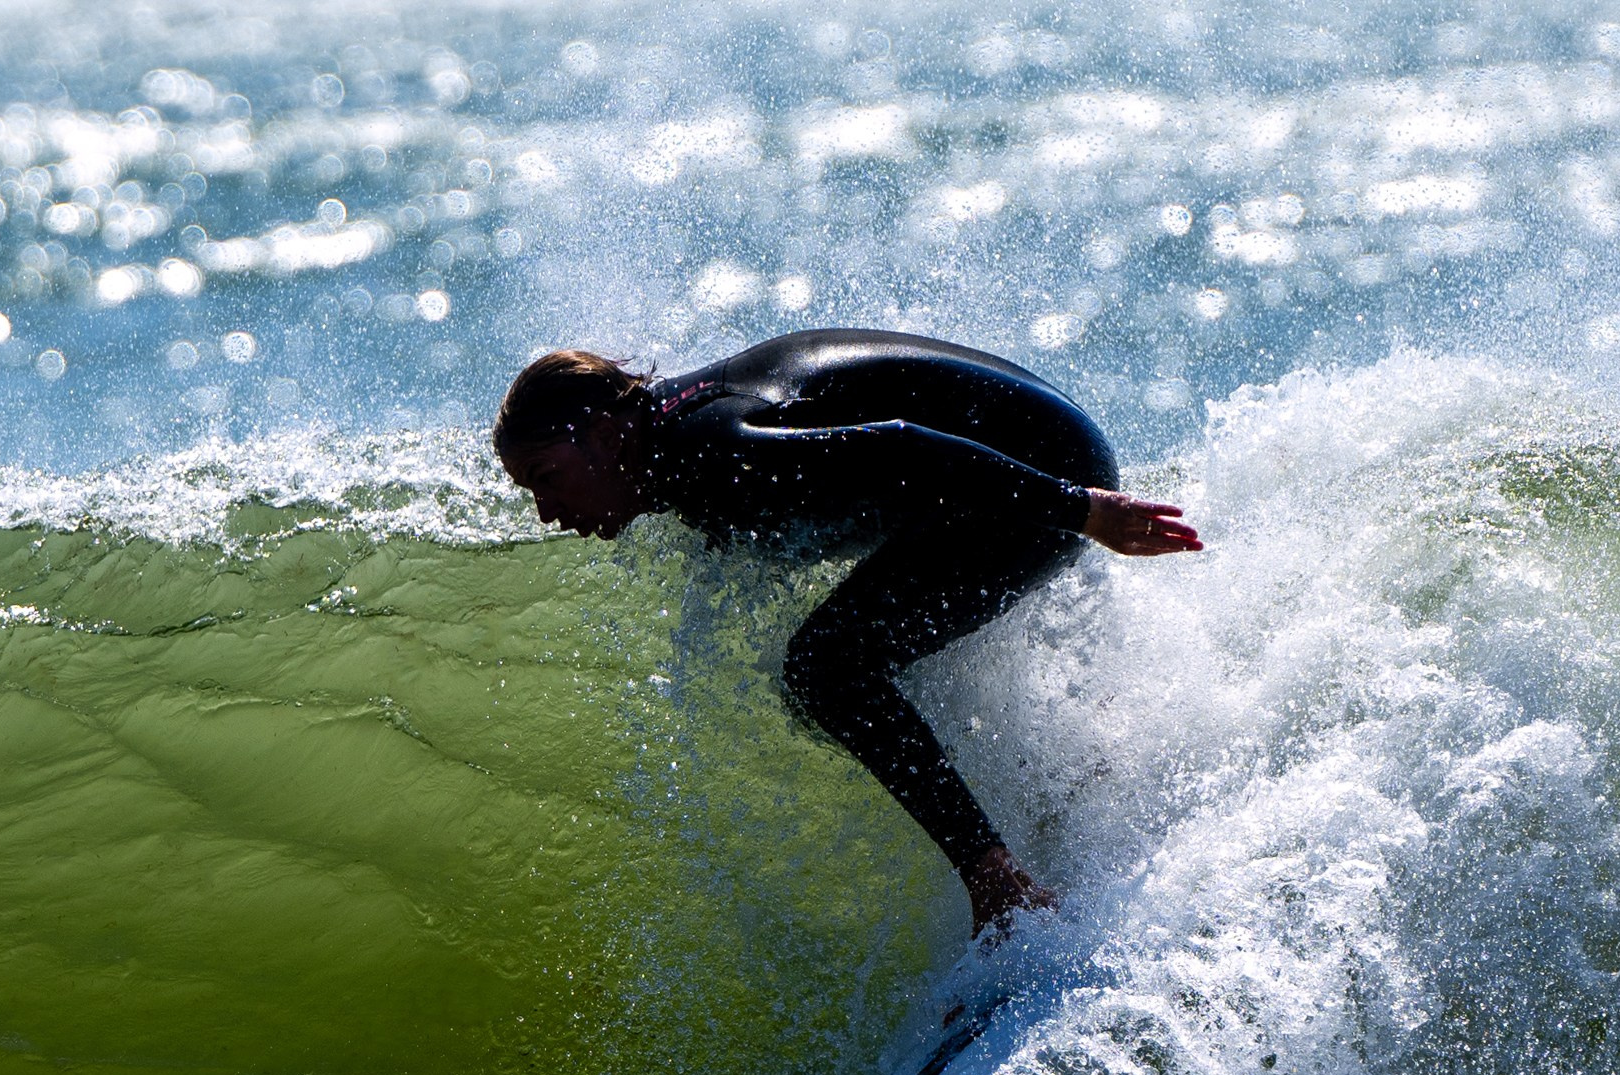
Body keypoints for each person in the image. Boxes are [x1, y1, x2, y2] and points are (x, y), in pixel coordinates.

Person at [492, 328, 1201, 934]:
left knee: (825, 666)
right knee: (836, 663)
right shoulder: (669, 445)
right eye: (531, 491)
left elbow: (899, 449)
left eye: (548, 477)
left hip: (1042, 471)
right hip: (1014, 462)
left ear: (609, 434)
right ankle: (1067, 792)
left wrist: (1082, 510)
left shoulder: (715, 446)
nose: (547, 511)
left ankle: (1002, 888)